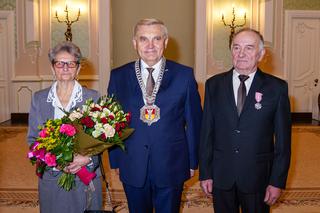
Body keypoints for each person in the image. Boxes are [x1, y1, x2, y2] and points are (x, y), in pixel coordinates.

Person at [107, 18, 202, 212]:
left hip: (172, 162)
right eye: (143, 39)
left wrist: (192, 161)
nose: (150, 45)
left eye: (156, 39)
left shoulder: (184, 75)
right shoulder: (118, 76)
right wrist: (116, 159)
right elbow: (111, 121)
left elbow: (194, 122)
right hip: (132, 161)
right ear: (134, 43)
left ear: (165, 42)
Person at [199, 28, 291, 213]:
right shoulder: (214, 85)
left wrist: (276, 181)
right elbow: (206, 132)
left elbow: (283, 142)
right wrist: (206, 173)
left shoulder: (277, 88)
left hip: (258, 177)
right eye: (236, 47)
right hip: (221, 175)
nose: (241, 54)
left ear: (261, 54)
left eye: (249, 48)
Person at [27, 41, 102, 213]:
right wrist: (53, 160)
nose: (65, 68)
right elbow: (33, 139)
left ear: (78, 68)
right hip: (52, 175)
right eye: (59, 63)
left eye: (70, 63)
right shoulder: (39, 99)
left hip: (85, 175)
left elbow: (101, 138)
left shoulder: (93, 97)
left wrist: (87, 158)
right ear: (53, 68)